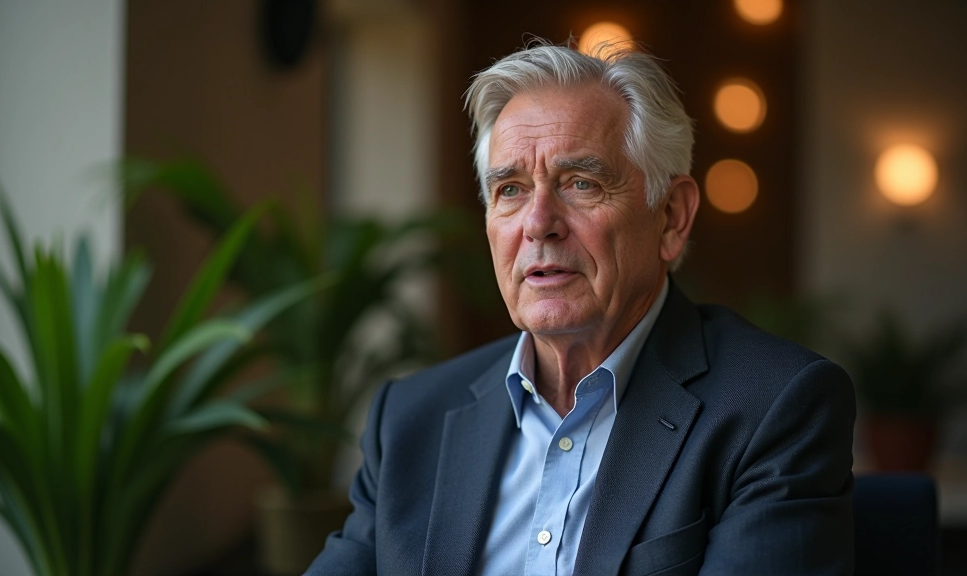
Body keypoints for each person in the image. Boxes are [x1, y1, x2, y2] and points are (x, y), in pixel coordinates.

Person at [307, 41, 855, 576]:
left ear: (670, 217)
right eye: (511, 190)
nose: (538, 222)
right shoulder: (409, 421)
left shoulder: (775, 408)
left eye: (581, 183)